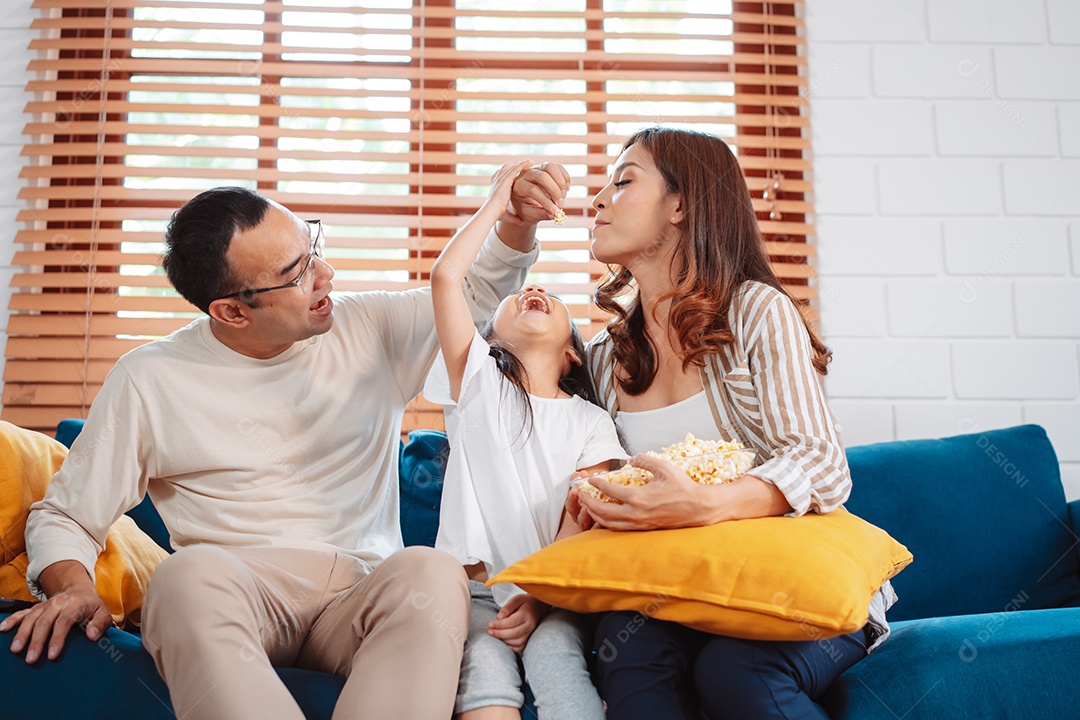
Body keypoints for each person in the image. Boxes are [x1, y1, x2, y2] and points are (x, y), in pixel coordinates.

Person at [0, 180, 558, 720]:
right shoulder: (149, 378)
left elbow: (474, 293)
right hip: (239, 596)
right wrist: (72, 587)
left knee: (432, 572)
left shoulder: (368, 327)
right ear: (231, 312)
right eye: (297, 274)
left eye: (312, 248)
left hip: (359, 596)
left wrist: (516, 221)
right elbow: (66, 514)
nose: (326, 274)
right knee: (181, 578)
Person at [562, 127, 896, 720]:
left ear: (682, 203)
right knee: (631, 659)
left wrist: (702, 505)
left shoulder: (755, 312)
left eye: (624, 180)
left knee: (736, 672)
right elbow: (497, 374)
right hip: (670, 589)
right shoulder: (606, 358)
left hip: (789, 583)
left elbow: (822, 463)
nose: (597, 199)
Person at [424, 161, 626, 720]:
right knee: (482, 670)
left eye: (551, 298)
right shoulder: (477, 380)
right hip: (473, 592)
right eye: (519, 295)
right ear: (487, 340)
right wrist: (497, 201)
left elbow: (584, 516)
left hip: (554, 590)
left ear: (572, 355)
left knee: (558, 656)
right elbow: (447, 279)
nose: (533, 287)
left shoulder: (591, 421)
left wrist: (540, 597)